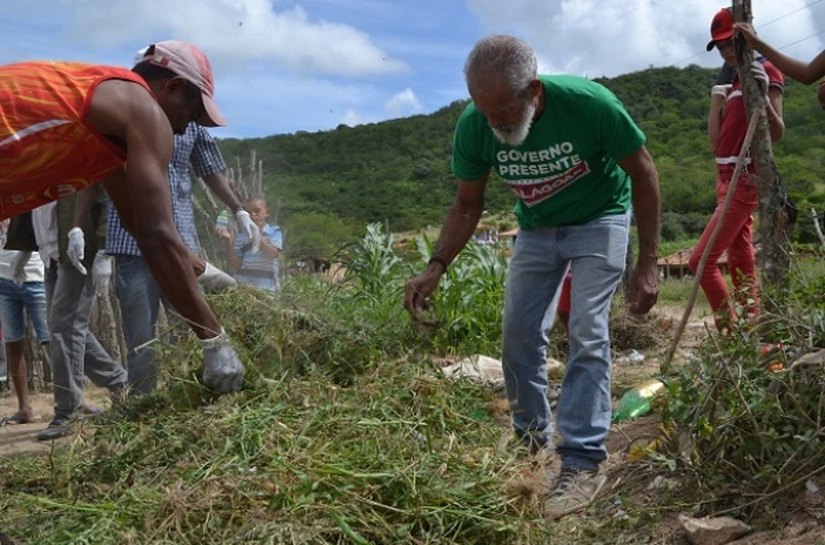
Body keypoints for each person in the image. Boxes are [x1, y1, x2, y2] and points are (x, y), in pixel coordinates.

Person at [403, 35, 660, 519]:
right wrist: (435, 266)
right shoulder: (475, 126)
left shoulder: (591, 106)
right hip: (538, 228)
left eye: (504, 111)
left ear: (534, 91)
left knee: (586, 328)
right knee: (518, 335)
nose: (495, 123)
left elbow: (644, 172)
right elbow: (467, 203)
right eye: (486, 112)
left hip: (601, 216)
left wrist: (647, 262)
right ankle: (529, 446)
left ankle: (582, 460)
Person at [0, 40, 245, 394]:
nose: (187, 127)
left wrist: (202, 270)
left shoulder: (108, 132)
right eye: (192, 112)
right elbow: (155, 234)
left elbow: (137, 222)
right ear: (173, 86)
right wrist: (215, 341)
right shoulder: (141, 108)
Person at [106, 114, 257, 395]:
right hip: (132, 244)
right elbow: (104, 173)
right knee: (141, 339)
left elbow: (211, 170)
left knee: (190, 331)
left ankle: (188, 398)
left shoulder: (191, 122)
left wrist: (238, 209)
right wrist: (79, 227)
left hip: (183, 242)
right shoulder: (126, 118)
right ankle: (144, 404)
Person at [688, 8, 785, 333]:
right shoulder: (732, 79)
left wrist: (764, 99)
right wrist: (717, 99)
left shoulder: (766, 70)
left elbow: (777, 133)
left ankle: (731, 335)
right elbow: (716, 145)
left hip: (744, 180)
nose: (726, 50)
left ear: (746, 36)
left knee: (700, 262)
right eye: (720, 46)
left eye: (731, 42)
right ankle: (752, 332)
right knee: (741, 261)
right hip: (724, 178)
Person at [28, 194, 129, 440]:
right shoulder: (36, 159)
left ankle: (68, 412)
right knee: (66, 328)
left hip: (80, 251)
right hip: (51, 250)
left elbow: (105, 197)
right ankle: (119, 380)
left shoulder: (73, 158)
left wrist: (105, 252)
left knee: (64, 328)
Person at [0, 220, 49, 425]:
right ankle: (24, 408)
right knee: (13, 342)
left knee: (51, 339)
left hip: (35, 275)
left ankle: (72, 400)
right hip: (3, 278)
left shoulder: (26, 201)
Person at [218, 196, 283, 292]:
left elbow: (273, 254)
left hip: (267, 287)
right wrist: (229, 242)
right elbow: (236, 265)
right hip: (245, 287)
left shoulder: (274, 232)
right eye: (248, 213)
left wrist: (257, 236)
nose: (253, 214)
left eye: (257, 211)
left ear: (267, 213)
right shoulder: (241, 237)